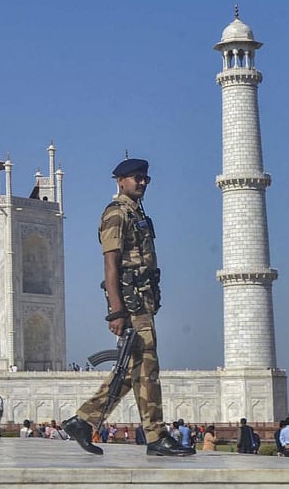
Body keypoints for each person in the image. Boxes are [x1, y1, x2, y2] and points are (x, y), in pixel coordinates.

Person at [62, 158, 194, 457]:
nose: (142, 183)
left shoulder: (138, 214)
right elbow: (110, 264)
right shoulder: (116, 214)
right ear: (120, 181)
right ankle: (156, 436)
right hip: (131, 302)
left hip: (143, 299)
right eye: (136, 178)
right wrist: (116, 310)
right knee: (147, 369)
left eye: (145, 178)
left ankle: (83, 420)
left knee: (136, 369)